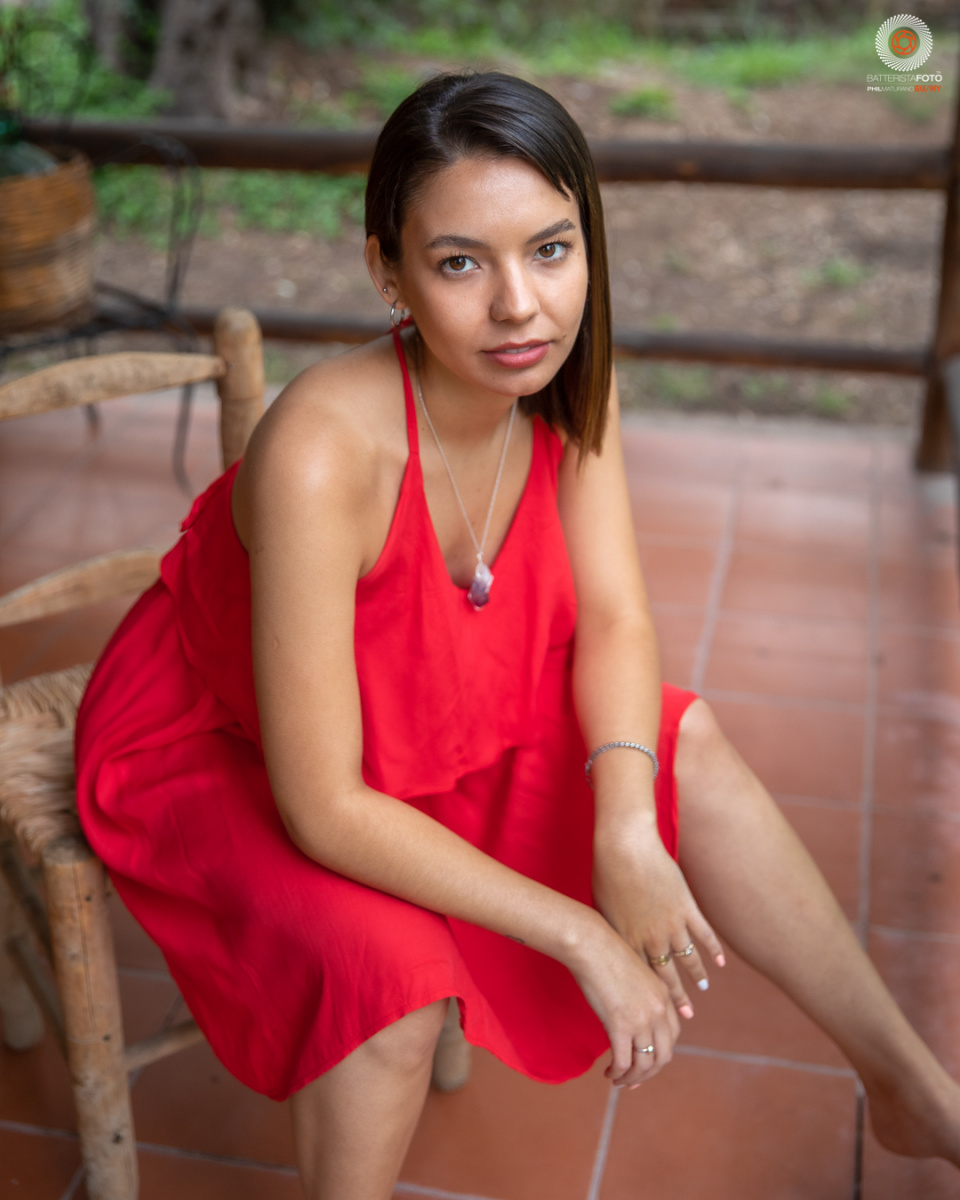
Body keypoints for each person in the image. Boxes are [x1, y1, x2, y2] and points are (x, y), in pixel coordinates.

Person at [75, 71, 960, 1199]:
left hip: (428, 698)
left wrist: (627, 828)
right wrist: (580, 932)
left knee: (678, 744)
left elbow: (617, 616)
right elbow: (322, 803)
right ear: (387, 272)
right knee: (390, 985)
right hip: (228, 742)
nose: (520, 308)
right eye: (460, 264)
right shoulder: (321, 452)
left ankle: (912, 1089)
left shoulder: (568, 382)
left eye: (550, 250)